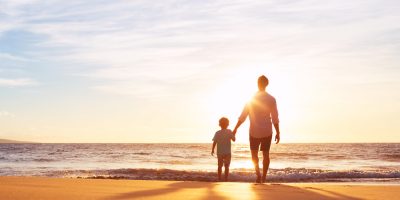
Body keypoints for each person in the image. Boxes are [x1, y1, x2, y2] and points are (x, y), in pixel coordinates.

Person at [232, 75, 280, 183]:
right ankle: (263, 177)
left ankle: (258, 174)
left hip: (254, 131)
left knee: (254, 154)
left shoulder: (251, 99)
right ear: (267, 84)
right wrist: (278, 132)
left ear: (257, 83)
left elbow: (243, 116)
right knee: (266, 154)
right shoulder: (271, 99)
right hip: (267, 131)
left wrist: (235, 129)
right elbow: (275, 117)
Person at [211, 117, 236, 181]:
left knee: (220, 166)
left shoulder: (217, 133)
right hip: (227, 152)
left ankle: (219, 178)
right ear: (228, 124)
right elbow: (234, 140)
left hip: (220, 152)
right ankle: (226, 179)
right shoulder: (229, 131)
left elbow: (215, 142)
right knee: (226, 166)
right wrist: (234, 133)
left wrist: (212, 150)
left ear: (219, 124)